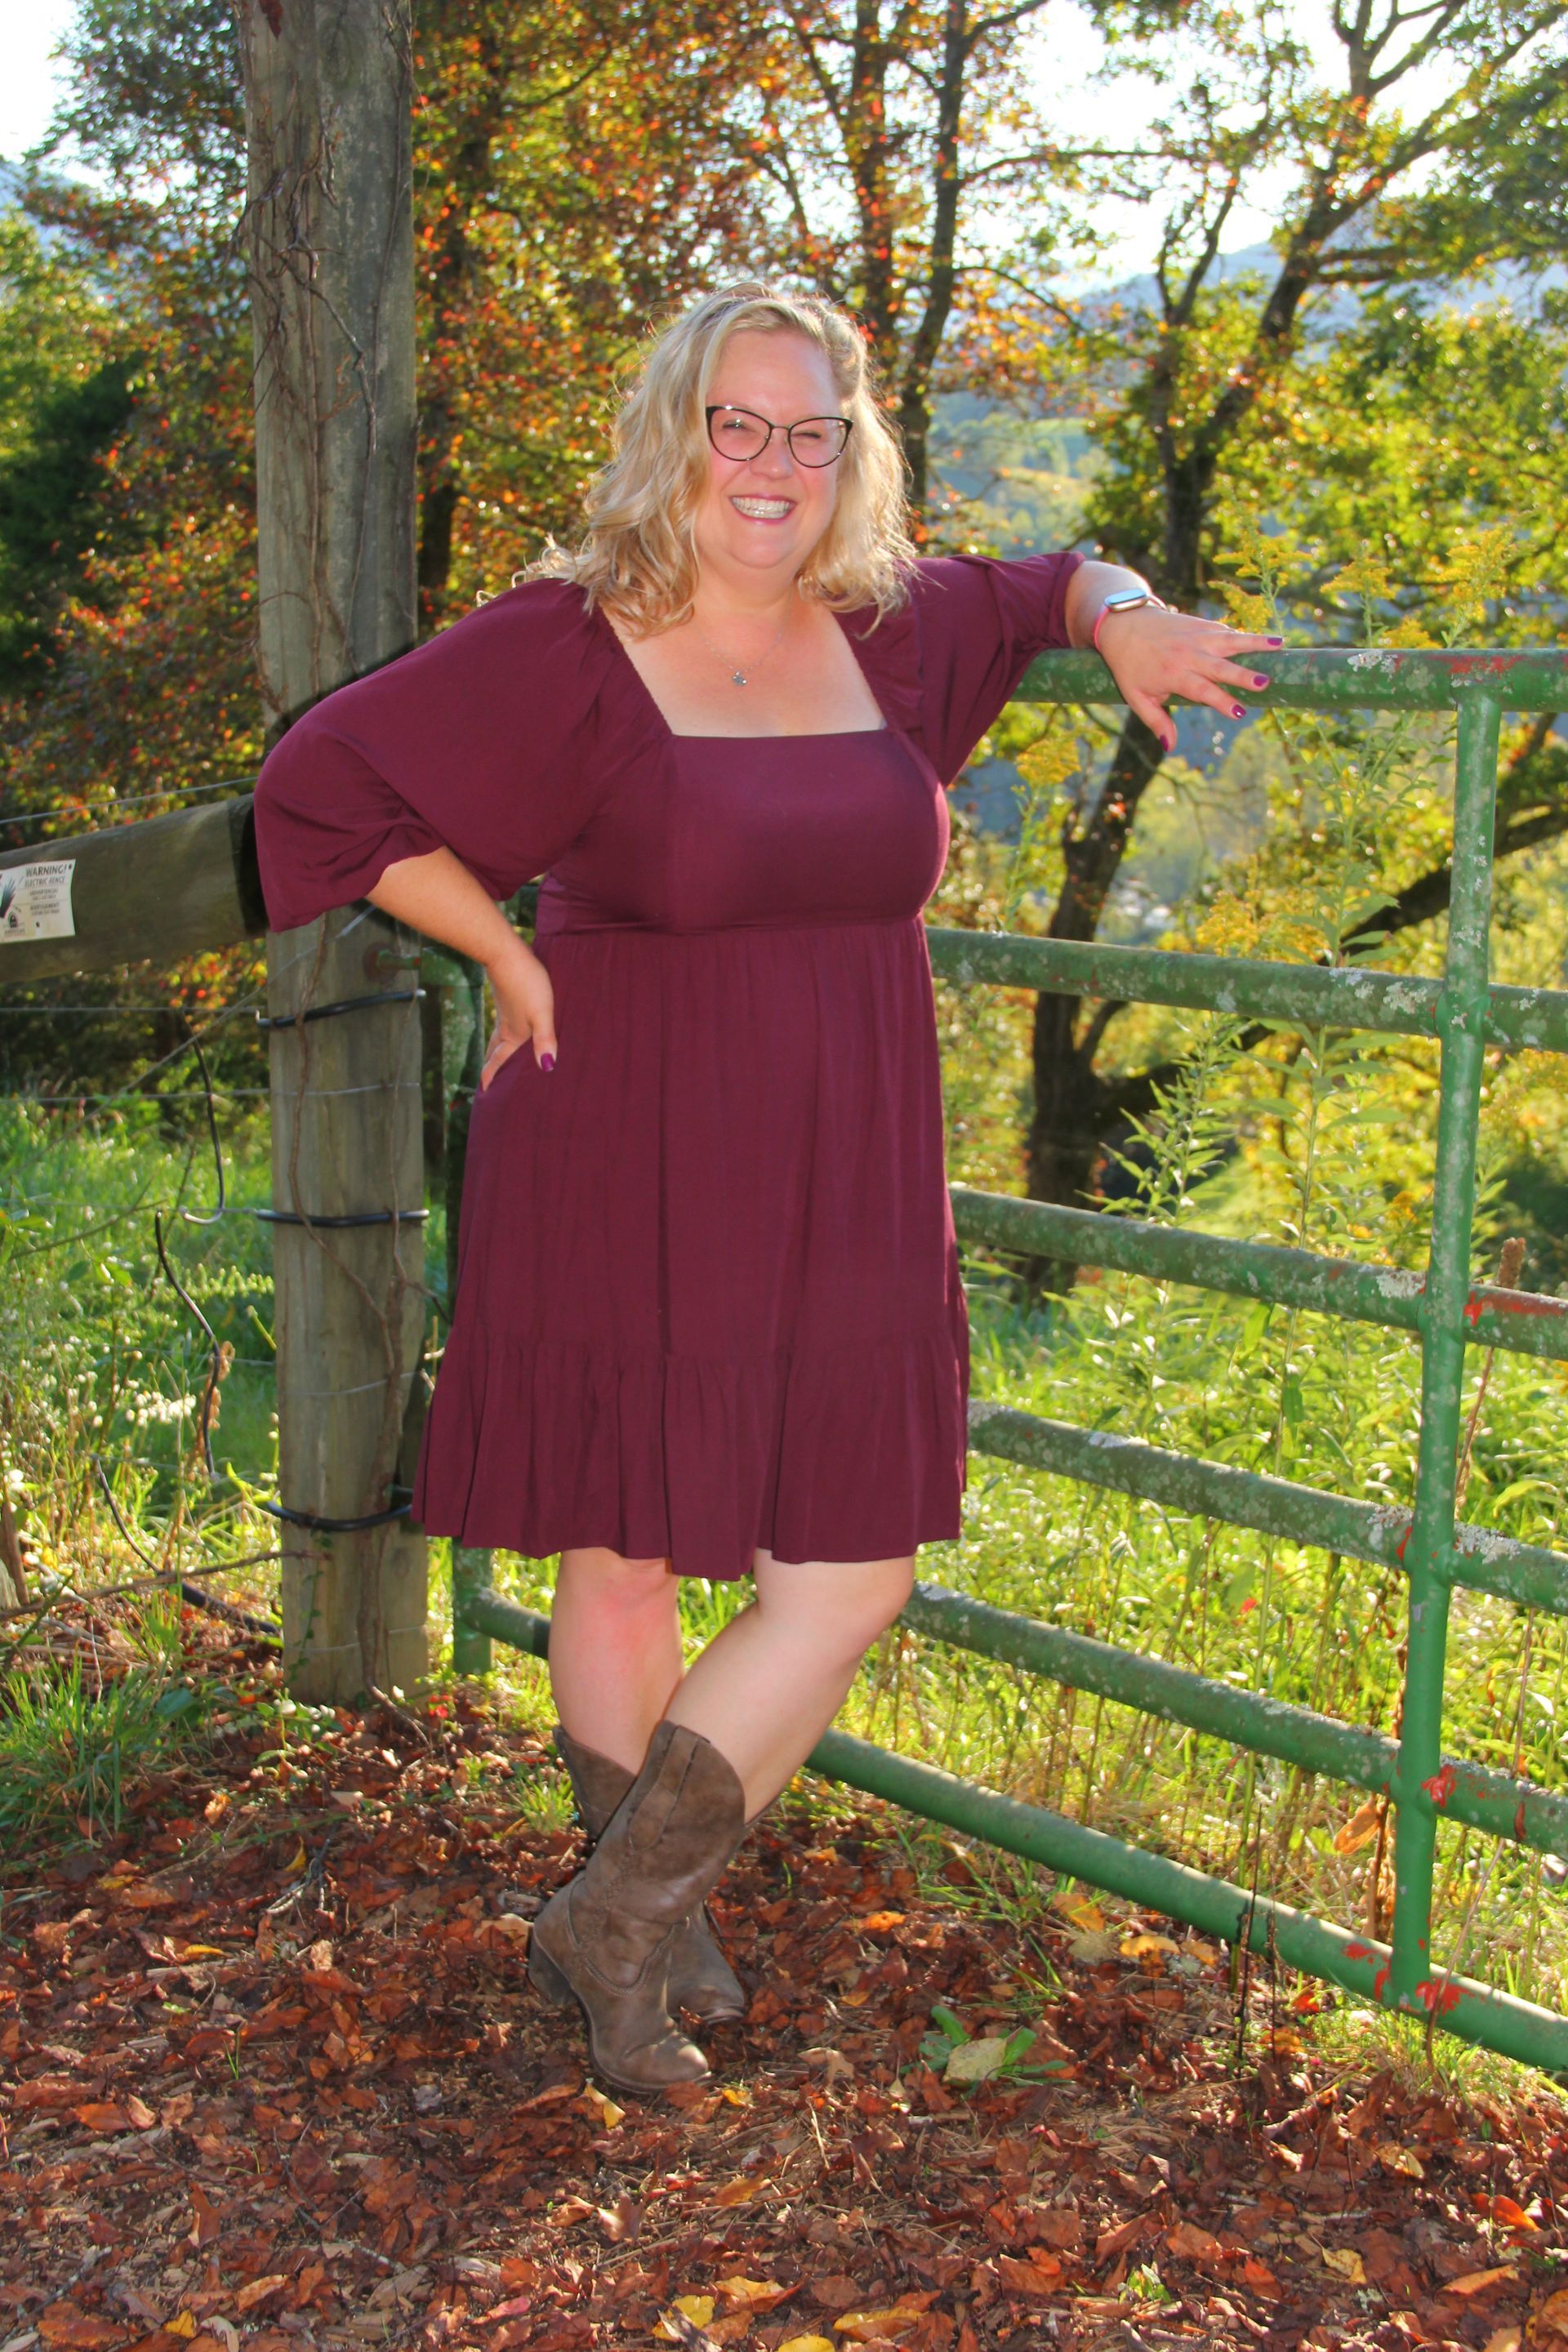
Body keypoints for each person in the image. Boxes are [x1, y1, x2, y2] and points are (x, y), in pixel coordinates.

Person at [251, 280, 1278, 2099]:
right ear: (676, 432)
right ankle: (650, 1930)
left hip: (848, 1156)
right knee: (624, 1549)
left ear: (852, 449)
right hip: (622, 1130)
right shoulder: (572, 637)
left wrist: (1127, 615)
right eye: (738, 423)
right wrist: (504, 950)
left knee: (850, 1571)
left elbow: (1055, 578)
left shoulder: (892, 628)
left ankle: (616, 1914)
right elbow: (321, 785)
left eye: (813, 431)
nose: (773, 464)